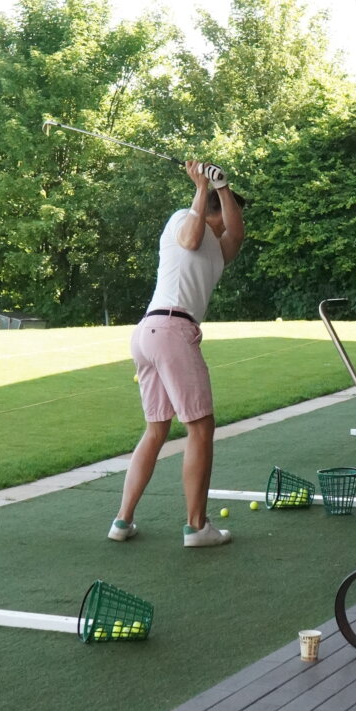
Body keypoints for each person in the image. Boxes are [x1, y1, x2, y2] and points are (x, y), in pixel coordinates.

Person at [109, 160, 245, 546]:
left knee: (157, 428)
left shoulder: (219, 248)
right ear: (215, 213)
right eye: (229, 209)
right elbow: (189, 239)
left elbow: (236, 234)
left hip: (152, 333)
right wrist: (201, 187)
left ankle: (122, 522)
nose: (234, 220)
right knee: (200, 426)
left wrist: (223, 186)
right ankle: (197, 527)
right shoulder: (183, 219)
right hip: (170, 330)